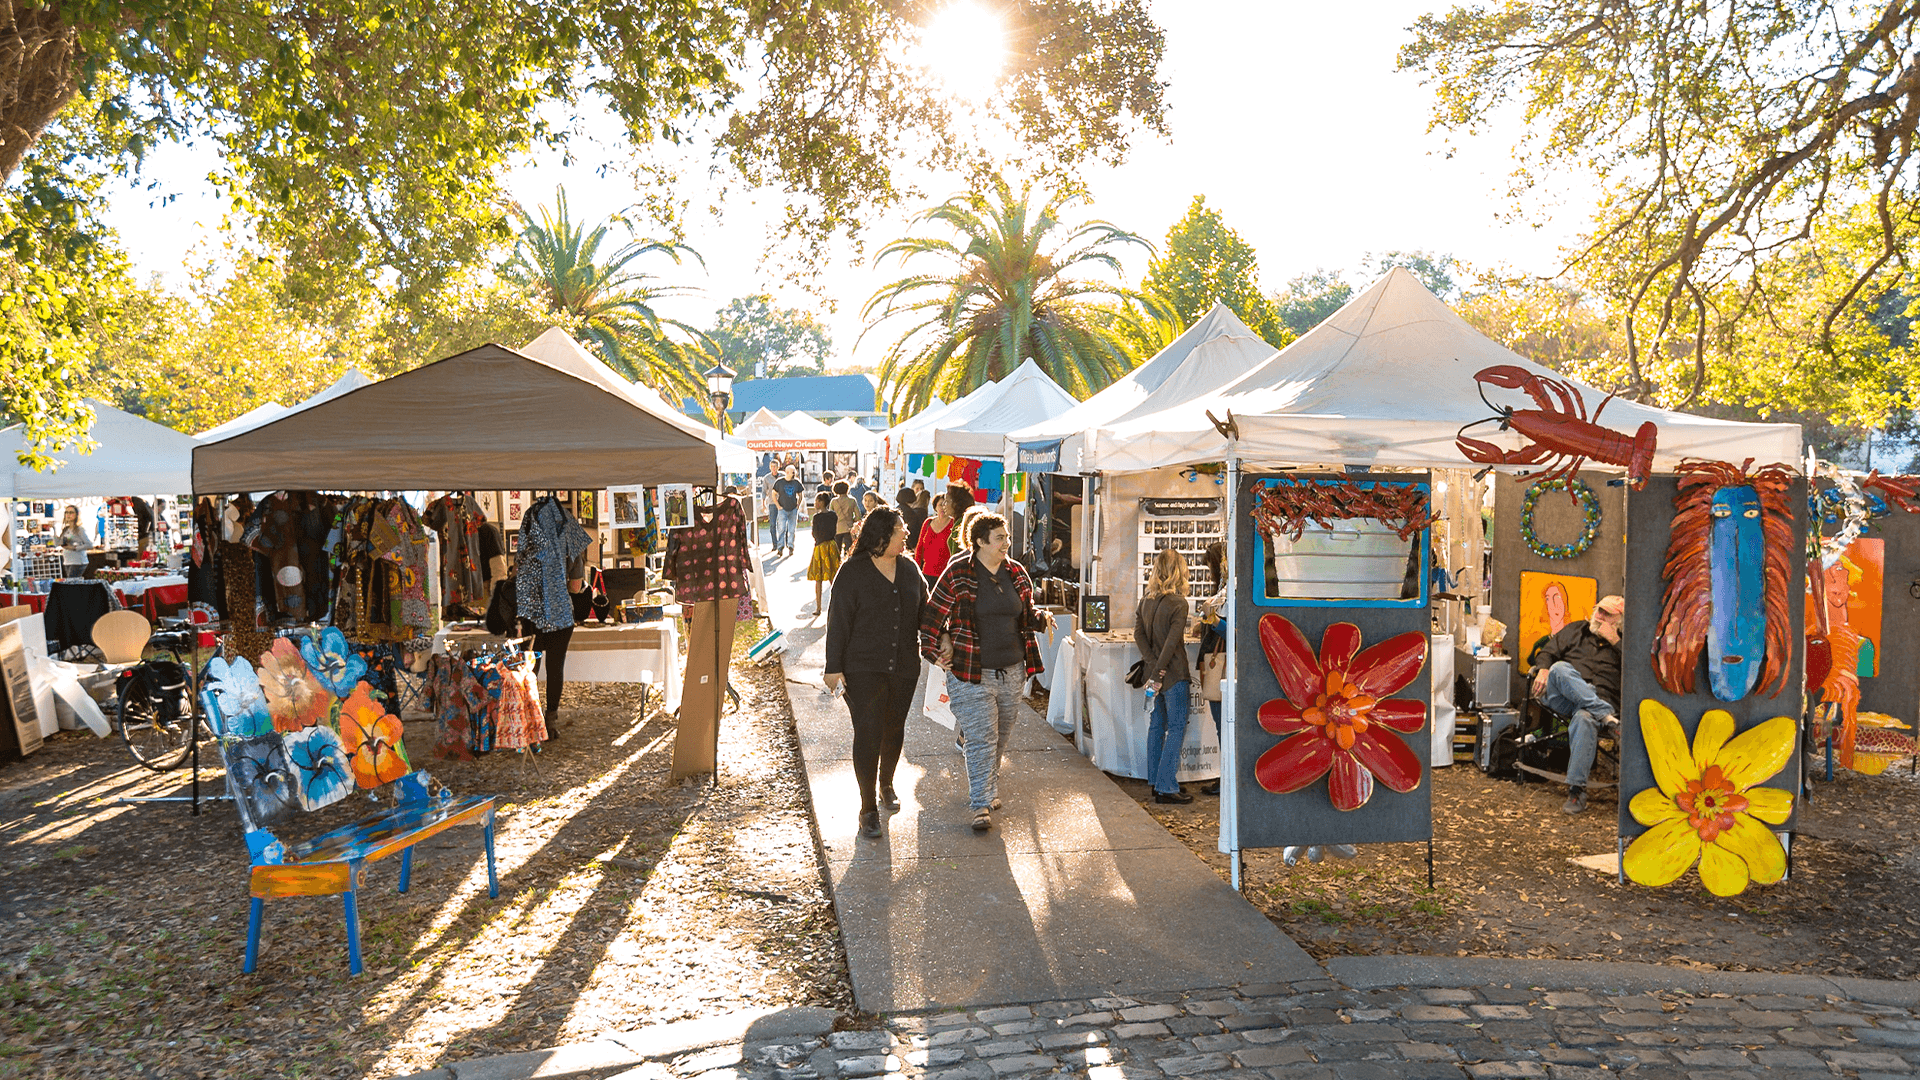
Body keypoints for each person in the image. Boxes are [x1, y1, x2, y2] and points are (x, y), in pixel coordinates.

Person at [920, 512, 1052, 832]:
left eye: (1007, 537)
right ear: (980, 542)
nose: (1006, 543)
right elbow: (931, 618)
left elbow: (1024, 615)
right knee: (981, 738)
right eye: (1000, 538)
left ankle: (988, 788)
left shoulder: (1017, 572)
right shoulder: (958, 573)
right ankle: (981, 802)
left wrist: (1040, 618)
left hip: (1012, 670)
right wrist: (934, 652)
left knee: (1000, 738)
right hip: (970, 672)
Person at [824, 508, 927, 840]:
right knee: (868, 731)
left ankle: (886, 783)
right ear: (881, 535)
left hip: (905, 666)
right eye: (900, 530)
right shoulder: (852, 572)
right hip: (862, 667)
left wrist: (943, 640)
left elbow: (926, 612)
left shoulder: (910, 570)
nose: (906, 535)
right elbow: (838, 622)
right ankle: (867, 808)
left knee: (893, 728)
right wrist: (833, 667)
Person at [1527, 593, 1624, 814]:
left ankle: (1576, 792)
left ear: (1617, 621)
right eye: (1598, 610)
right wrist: (1543, 669)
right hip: (1562, 696)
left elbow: (1638, 672)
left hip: (1599, 700)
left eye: (1606, 614)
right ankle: (1604, 715)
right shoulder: (1576, 630)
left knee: (1584, 717)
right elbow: (1548, 652)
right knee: (1560, 668)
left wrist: (1615, 642)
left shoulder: (1625, 645)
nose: (1598, 616)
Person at [1136, 548, 1194, 804]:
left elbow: (1139, 636)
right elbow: (1172, 644)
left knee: (1157, 726)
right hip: (1174, 674)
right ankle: (1167, 785)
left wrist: (1152, 669)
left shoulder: (1146, 600)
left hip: (1154, 674)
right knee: (1177, 728)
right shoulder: (1179, 604)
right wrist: (1159, 671)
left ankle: (1156, 781)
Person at [1196, 540, 1229, 795]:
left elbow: (1234, 633)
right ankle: (1225, 777)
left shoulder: (1228, 592)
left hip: (1222, 668)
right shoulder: (1222, 591)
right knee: (1221, 726)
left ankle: (1226, 779)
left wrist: (1214, 621)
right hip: (1217, 666)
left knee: (1224, 726)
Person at [807, 491, 841, 614]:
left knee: (819, 578)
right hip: (831, 545)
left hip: (820, 547)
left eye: (817, 501)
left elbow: (814, 533)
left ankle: (818, 607)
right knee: (833, 577)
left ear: (822, 502)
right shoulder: (833, 515)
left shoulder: (817, 517)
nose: (815, 503)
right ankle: (836, 605)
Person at [915, 494, 955, 582]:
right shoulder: (928, 522)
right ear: (935, 506)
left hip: (945, 575)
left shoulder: (953, 524)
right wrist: (916, 570)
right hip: (926, 573)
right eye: (941, 504)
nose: (943, 507)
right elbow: (919, 547)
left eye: (945, 504)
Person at [770, 465, 806, 557]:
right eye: (792, 472)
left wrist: (798, 505)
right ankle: (780, 548)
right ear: (787, 472)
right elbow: (773, 494)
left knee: (792, 529)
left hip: (793, 509)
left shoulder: (796, 482)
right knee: (781, 529)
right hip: (782, 509)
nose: (793, 473)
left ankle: (790, 547)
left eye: (794, 472)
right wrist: (778, 506)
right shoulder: (779, 482)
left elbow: (801, 494)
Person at [57, 505, 90, 577]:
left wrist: (74, 548)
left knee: (72, 582)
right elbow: (60, 543)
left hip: (78, 561)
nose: (68, 515)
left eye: (71, 512)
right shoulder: (66, 529)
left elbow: (89, 545)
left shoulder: (79, 529)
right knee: (73, 582)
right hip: (67, 561)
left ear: (76, 515)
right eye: (66, 512)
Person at [830, 481, 859, 556]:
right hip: (848, 528)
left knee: (837, 551)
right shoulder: (852, 500)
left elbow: (831, 516)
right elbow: (858, 515)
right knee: (848, 551)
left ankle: (837, 565)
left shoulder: (833, 501)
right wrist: (852, 521)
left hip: (837, 529)